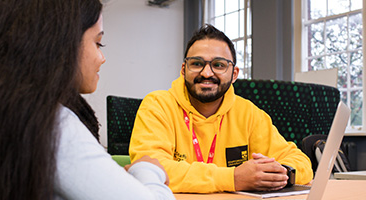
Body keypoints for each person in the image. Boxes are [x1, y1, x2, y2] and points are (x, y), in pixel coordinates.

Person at [0, 0, 175, 200]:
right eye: (98, 43)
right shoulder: (51, 125)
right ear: (59, 43)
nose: (102, 58)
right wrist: (148, 169)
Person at [129, 24, 313, 193]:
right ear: (183, 69)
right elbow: (149, 170)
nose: (207, 73)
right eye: (197, 63)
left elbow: (300, 161)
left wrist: (277, 174)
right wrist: (232, 178)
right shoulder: (157, 105)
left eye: (218, 65)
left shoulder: (248, 113)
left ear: (234, 74)